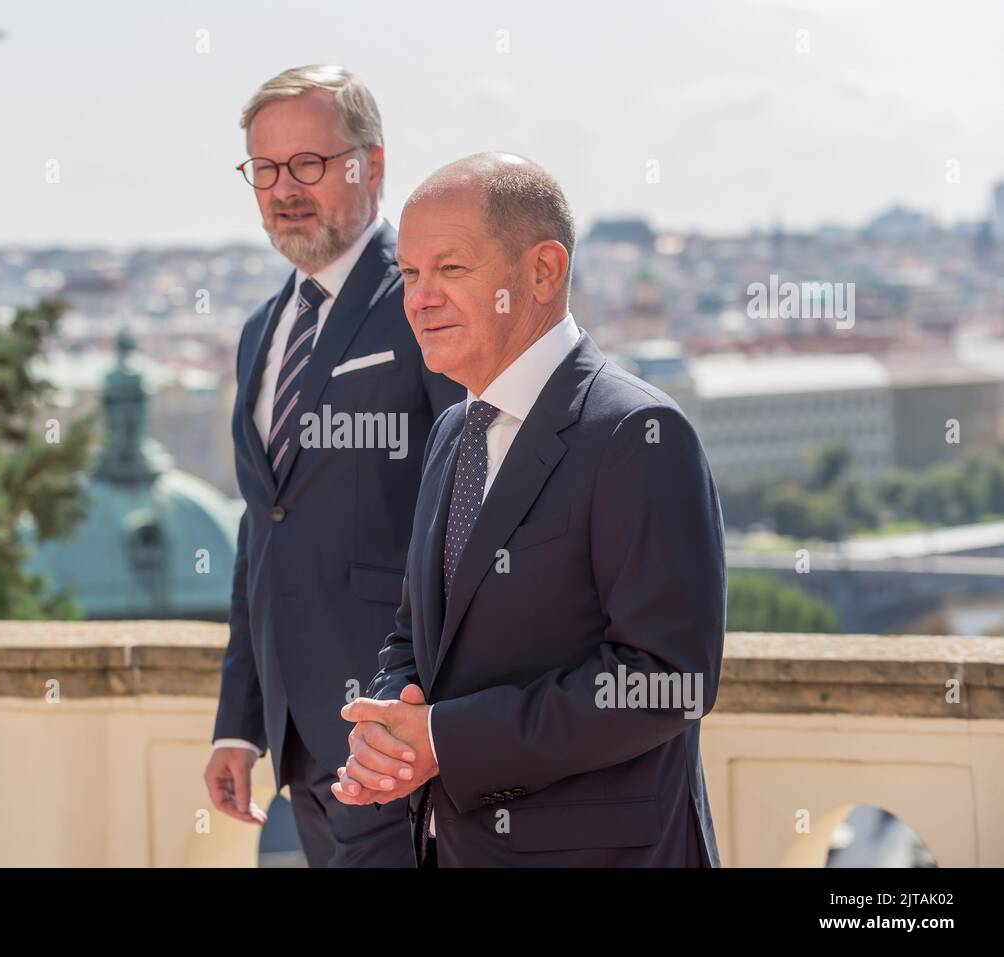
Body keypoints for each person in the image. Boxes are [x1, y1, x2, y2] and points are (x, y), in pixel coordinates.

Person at [333, 152, 725, 867]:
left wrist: (444, 739)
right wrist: (394, 726)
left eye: (449, 269)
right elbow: (414, 633)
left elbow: (668, 679)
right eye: (409, 274)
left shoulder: (640, 433)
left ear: (542, 272)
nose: (418, 298)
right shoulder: (455, 431)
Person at [204, 65, 461, 867]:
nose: (285, 188)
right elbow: (263, 532)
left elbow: (474, 508)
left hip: (401, 733)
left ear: (371, 166)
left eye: (309, 164)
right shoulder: (260, 330)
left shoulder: (423, 304)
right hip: (300, 742)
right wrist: (240, 723)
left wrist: (436, 712)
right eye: (266, 169)